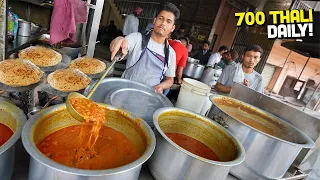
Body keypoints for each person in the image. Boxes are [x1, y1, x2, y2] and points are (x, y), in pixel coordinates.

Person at [110, 3, 180, 93]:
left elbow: (170, 79)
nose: (163, 23)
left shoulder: (171, 53)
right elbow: (123, 43)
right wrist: (119, 40)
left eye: (168, 21)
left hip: (148, 97)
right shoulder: (137, 38)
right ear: (154, 21)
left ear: (172, 28)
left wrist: (161, 86)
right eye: (161, 19)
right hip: (125, 91)